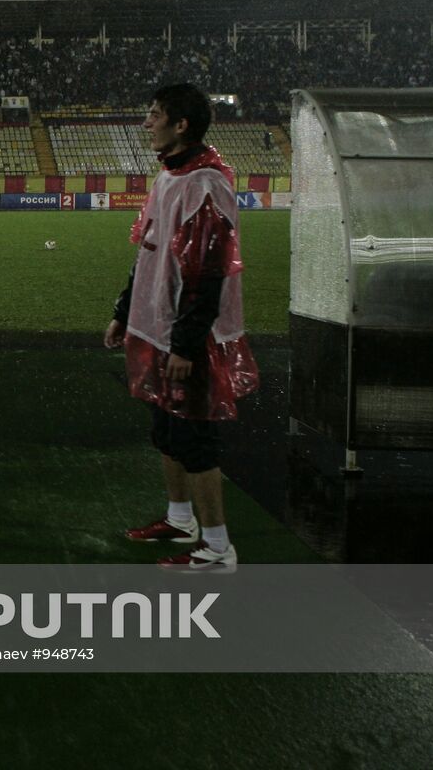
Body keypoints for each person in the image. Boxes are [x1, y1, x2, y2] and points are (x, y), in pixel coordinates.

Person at [103, 84, 259, 573]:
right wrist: (125, 310)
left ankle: (217, 548)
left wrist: (186, 344)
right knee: (166, 430)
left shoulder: (205, 184)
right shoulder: (171, 176)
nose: (147, 123)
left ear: (181, 124)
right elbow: (147, 251)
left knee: (195, 439)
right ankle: (181, 519)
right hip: (155, 326)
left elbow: (208, 272)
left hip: (185, 337)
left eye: (154, 115)